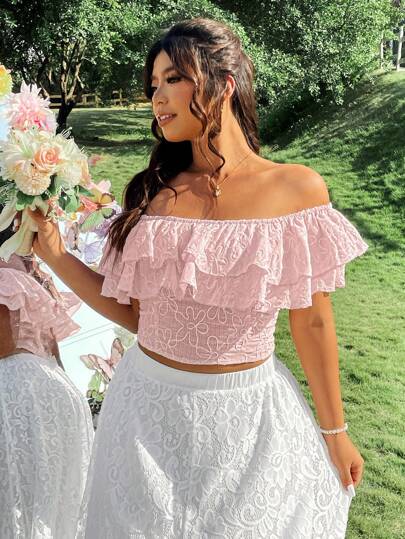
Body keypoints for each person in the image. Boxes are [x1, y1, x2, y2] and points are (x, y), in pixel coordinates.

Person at [28, 17, 369, 539]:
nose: (157, 98)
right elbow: (137, 317)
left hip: (246, 420)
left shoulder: (296, 190)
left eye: (173, 79)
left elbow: (313, 323)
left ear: (223, 84)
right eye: (153, 85)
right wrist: (54, 254)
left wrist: (335, 431)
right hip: (143, 414)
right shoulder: (152, 195)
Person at [0, 217, 94, 539]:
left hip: (18, 395)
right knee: (52, 510)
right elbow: (54, 352)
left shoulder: (7, 271)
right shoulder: (33, 272)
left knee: (18, 509)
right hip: (58, 392)